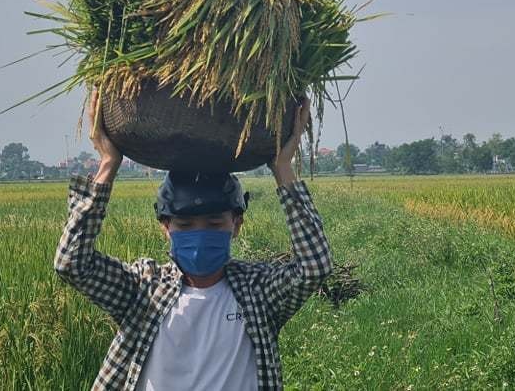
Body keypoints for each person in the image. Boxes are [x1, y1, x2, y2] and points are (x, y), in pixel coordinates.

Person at [53, 89, 334, 390]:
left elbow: (314, 266)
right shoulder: (143, 290)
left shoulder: (258, 292)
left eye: (214, 223)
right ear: (165, 227)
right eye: (185, 225)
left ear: (236, 224)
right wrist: (108, 163)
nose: (200, 235)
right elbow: (72, 263)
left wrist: (283, 167)